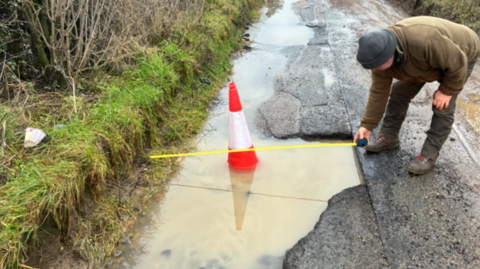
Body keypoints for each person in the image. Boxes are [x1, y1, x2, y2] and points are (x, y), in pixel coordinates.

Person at [354, 16, 480, 175]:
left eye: (376, 66)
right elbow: (379, 92)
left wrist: (447, 90)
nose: (374, 70)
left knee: (442, 106)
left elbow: (458, 64)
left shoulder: (426, 39)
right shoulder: (378, 60)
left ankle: (429, 154)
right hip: (424, 62)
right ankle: (389, 137)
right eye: (370, 67)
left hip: (462, 53)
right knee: (399, 92)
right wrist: (367, 125)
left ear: (390, 55)